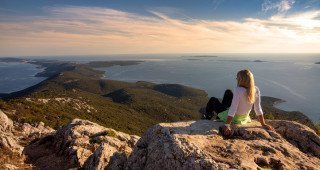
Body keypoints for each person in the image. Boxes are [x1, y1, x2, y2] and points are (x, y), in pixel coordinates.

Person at [205, 69, 274, 136]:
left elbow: (233, 109)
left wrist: (227, 125)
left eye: (237, 78)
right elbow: (258, 108)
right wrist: (263, 124)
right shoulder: (255, 89)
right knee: (228, 92)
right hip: (244, 117)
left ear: (241, 80)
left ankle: (207, 116)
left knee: (213, 100)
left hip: (235, 118)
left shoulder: (238, 90)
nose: (236, 79)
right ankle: (217, 115)